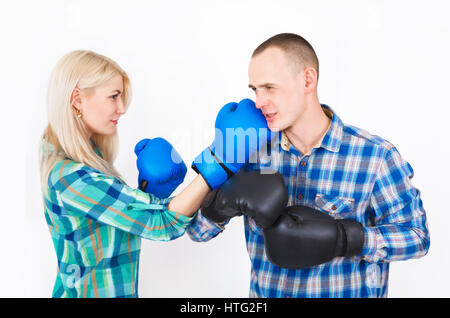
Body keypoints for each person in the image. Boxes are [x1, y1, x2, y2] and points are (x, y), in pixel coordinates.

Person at [187, 33, 430, 298]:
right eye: (254, 89)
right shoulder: (250, 153)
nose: (258, 102)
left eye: (269, 87)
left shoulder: (374, 156)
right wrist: (221, 205)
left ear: (308, 80)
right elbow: (197, 232)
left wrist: (345, 239)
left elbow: (417, 237)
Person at [39, 50, 213, 298]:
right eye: (114, 96)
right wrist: (218, 164)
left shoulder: (64, 150)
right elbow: (163, 225)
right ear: (77, 99)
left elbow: (109, 221)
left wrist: (148, 195)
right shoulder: (73, 177)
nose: (121, 109)